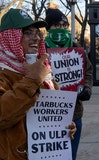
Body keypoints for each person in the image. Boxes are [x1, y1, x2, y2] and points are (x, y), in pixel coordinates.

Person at [0, 8, 76, 160]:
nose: (36, 38)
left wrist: (65, 126)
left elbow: (52, 111)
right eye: (28, 33)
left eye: (37, 33)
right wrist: (32, 80)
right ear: (10, 38)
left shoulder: (44, 72)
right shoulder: (3, 73)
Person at [44, 8, 93, 160]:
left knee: (70, 155)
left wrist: (87, 88)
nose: (62, 29)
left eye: (64, 25)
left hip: (74, 113)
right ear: (48, 28)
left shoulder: (78, 50)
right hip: (47, 114)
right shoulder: (40, 50)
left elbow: (89, 71)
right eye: (57, 25)